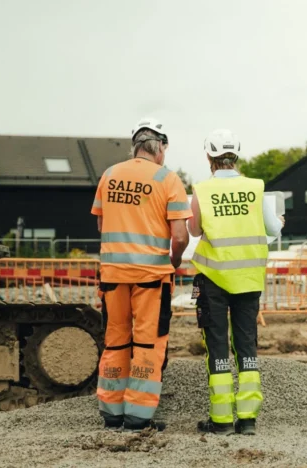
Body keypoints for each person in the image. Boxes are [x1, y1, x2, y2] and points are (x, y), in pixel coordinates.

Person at [91, 117, 191, 431]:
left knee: (115, 341)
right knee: (148, 343)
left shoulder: (110, 175)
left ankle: (111, 412)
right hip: (151, 277)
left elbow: (101, 224)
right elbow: (180, 236)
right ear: (160, 147)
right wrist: (174, 260)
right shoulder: (168, 179)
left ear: (134, 146)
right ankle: (138, 415)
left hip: (112, 275)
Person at [188, 129, 284, 436]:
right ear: (236, 155)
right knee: (246, 344)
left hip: (213, 278)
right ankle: (248, 419)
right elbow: (273, 229)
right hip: (248, 279)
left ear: (209, 157)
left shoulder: (202, 190)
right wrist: (279, 222)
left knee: (217, 346)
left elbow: (193, 231)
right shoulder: (255, 187)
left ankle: (221, 421)